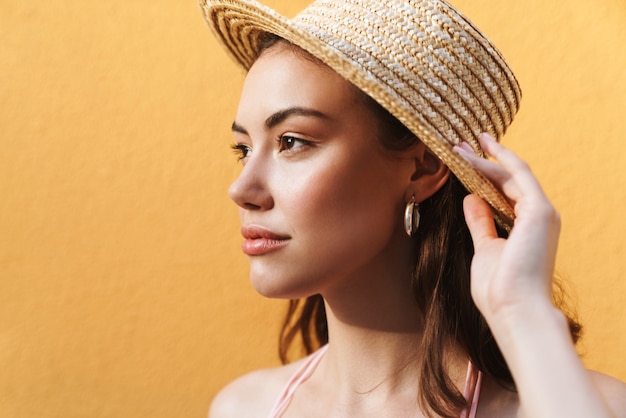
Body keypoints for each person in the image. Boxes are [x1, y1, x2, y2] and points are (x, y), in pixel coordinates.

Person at [200, 0, 626, 416]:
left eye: (291, 141)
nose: (242, 189)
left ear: (423, 168)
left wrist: (523, 313)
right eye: (244, 149)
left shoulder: (592, 406)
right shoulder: (243, 408)